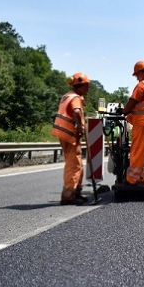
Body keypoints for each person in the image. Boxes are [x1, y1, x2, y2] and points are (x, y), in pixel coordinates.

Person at [51, 72, 90, 205]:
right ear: (80, 86)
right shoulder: (75, 97)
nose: (88, 88)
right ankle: (68, 194)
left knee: (76, 163)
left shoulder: (66, 96)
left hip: (64, 133)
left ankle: (76, 191)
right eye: (86, 86)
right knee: (73, 165)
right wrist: (81, 127)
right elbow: (77, 111)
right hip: (69, 134)